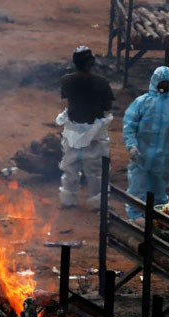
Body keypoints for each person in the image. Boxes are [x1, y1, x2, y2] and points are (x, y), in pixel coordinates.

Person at [123, 66, 169, 220]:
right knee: (137, 190)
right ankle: (136, 221)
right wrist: (132, 145)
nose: (163, 86)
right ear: (154, 82)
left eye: (166, 83)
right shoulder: (142, 102)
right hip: (140, 156)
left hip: (164, 158)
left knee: (159, 192)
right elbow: (129, 124)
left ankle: (158, 222)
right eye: (161, 83)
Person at [57, 46, 115, 209]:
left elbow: (66, 99)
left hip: (73, 130)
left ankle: (68, 199)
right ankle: (97, 203)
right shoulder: (101, 83)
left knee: (70, 166)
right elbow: (107, 105)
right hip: (95, 131)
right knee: (96, 170)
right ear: (91, 63)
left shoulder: (67, 80)